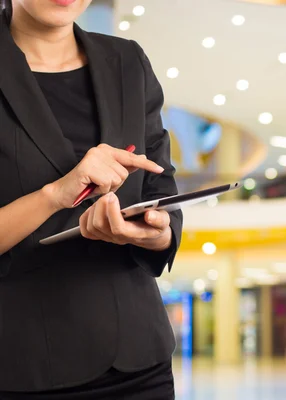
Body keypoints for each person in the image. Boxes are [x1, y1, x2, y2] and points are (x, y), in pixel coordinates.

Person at [0, 0, 183, 398]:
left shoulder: (127, 60)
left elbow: (160, 188)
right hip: (24, 366)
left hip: (139, 360)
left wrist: (155, 234)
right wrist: (54, 194)